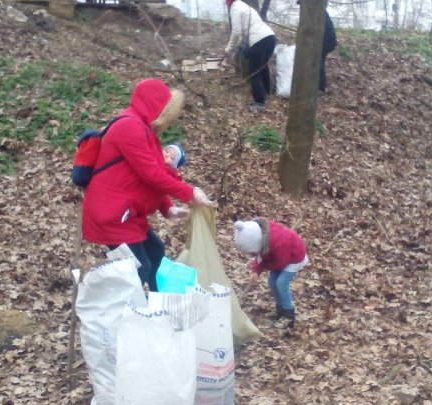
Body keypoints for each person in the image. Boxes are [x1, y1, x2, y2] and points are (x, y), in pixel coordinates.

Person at [82, 78, 212, 292]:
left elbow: (152, 175)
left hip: (127, 213)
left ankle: (156, 310)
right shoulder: (129, 127)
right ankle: (114, 317)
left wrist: (167, 207)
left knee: (156, 255)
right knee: (137, 270)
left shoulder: (143, 129)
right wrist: (190, 193)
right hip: (113, 215)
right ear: (155, 105)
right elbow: (150, 174)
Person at [233, 218, 308, 328]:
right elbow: (260, 257)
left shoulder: (279, 242)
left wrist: (263, 267)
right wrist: (256, 271)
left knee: (281, 283)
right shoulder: (262, 239)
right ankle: (280, 309)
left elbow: (279, 262)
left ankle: (288, 314)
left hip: (294, 257)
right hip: (278, 259)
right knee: (272, 282)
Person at [223, 0, 276, 112]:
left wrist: (228, 49)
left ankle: (259, 103)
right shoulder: (246, 7)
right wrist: (237, 48)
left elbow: (236, 31)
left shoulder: (235, 8)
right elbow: (243, 34)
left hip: (259, 41)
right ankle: (268, 91)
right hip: (270, 38)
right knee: (263, 67)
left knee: (254, 73)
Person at [320, 8, 337, 93]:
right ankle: (321, 87)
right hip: (326, 40)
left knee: (318, 60)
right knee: (319, 60)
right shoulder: (319, 11)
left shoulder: (318, 13)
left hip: (327, 41)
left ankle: (321, 87)